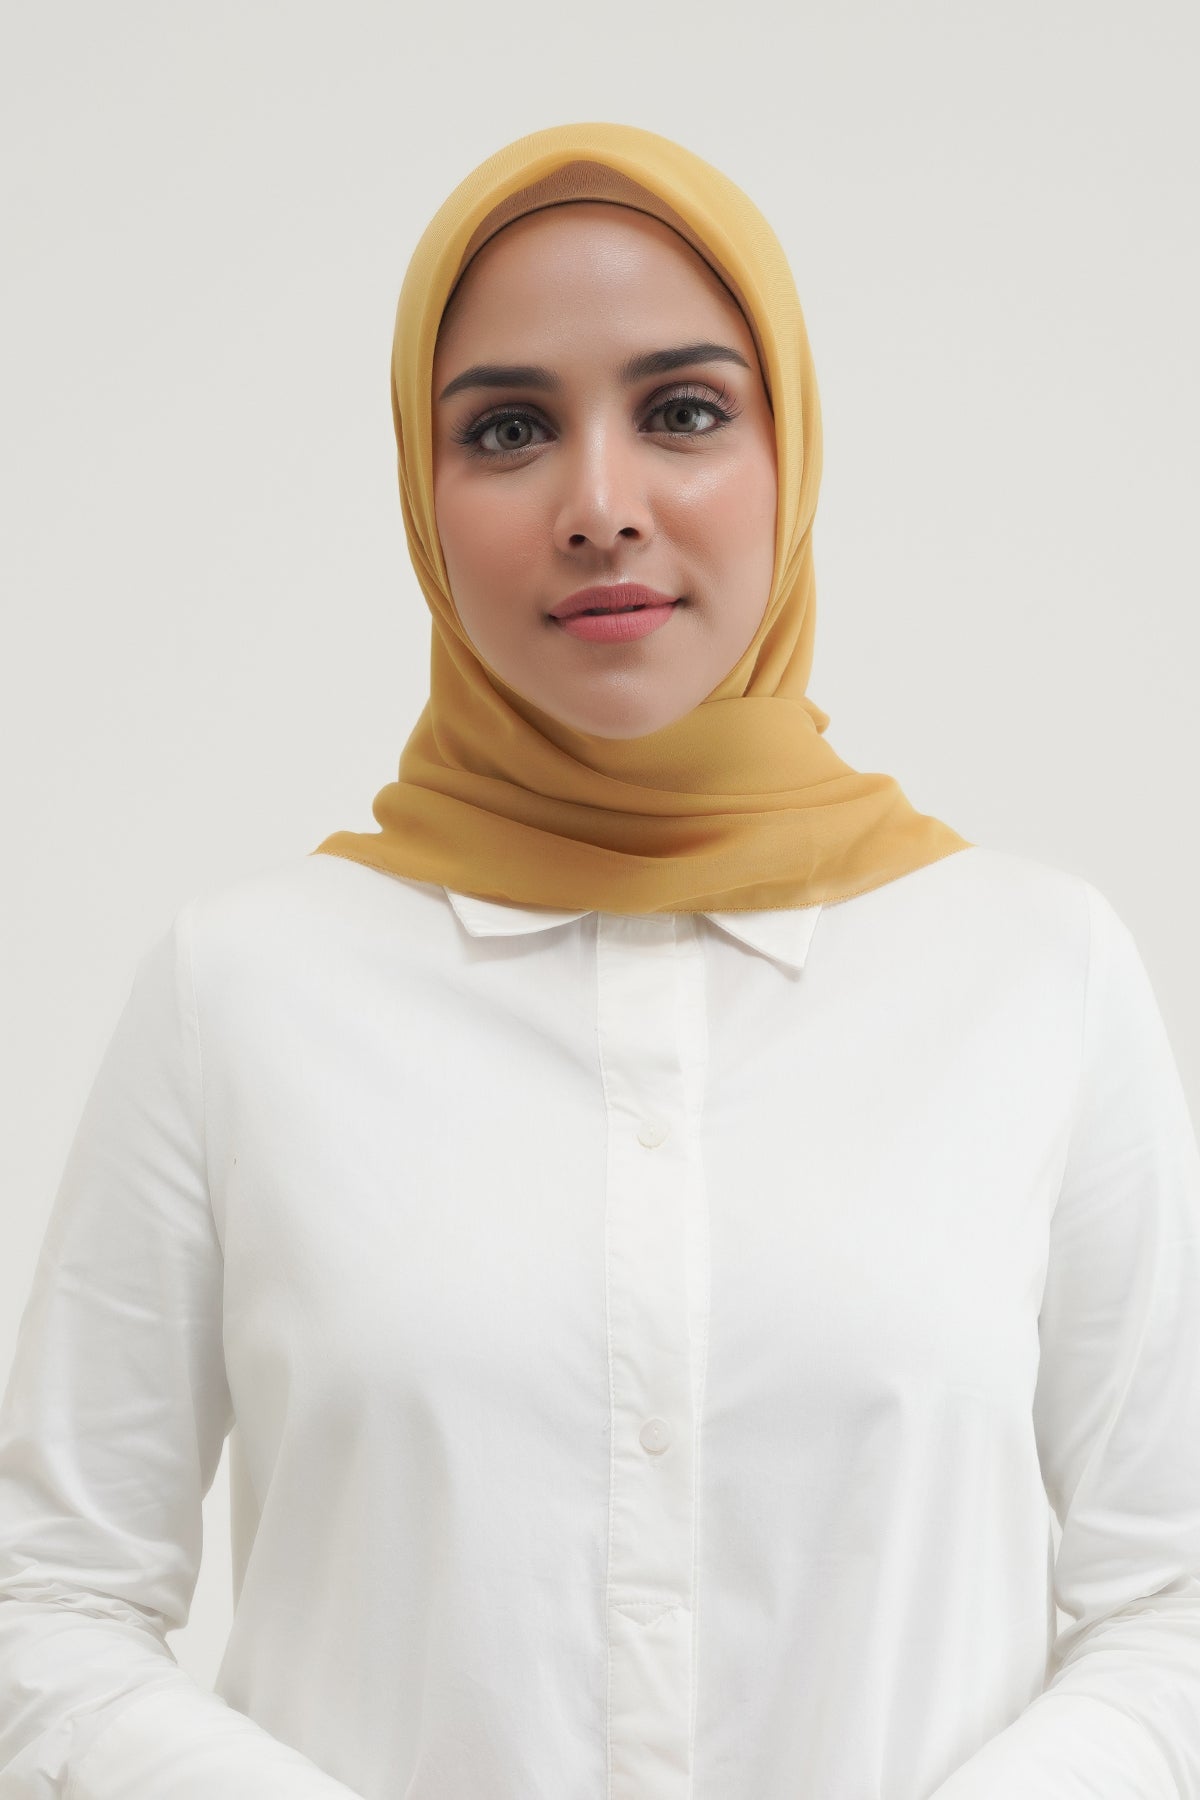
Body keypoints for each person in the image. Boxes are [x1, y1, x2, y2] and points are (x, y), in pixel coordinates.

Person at [1, 120, 1198, 1800]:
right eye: (507, 430)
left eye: (684, 411)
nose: (601, 507)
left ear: (792, 452)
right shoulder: (239, 994)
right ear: (423, 496)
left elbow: (1171, 1599)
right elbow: (48, 1609)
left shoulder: (1033, 975)